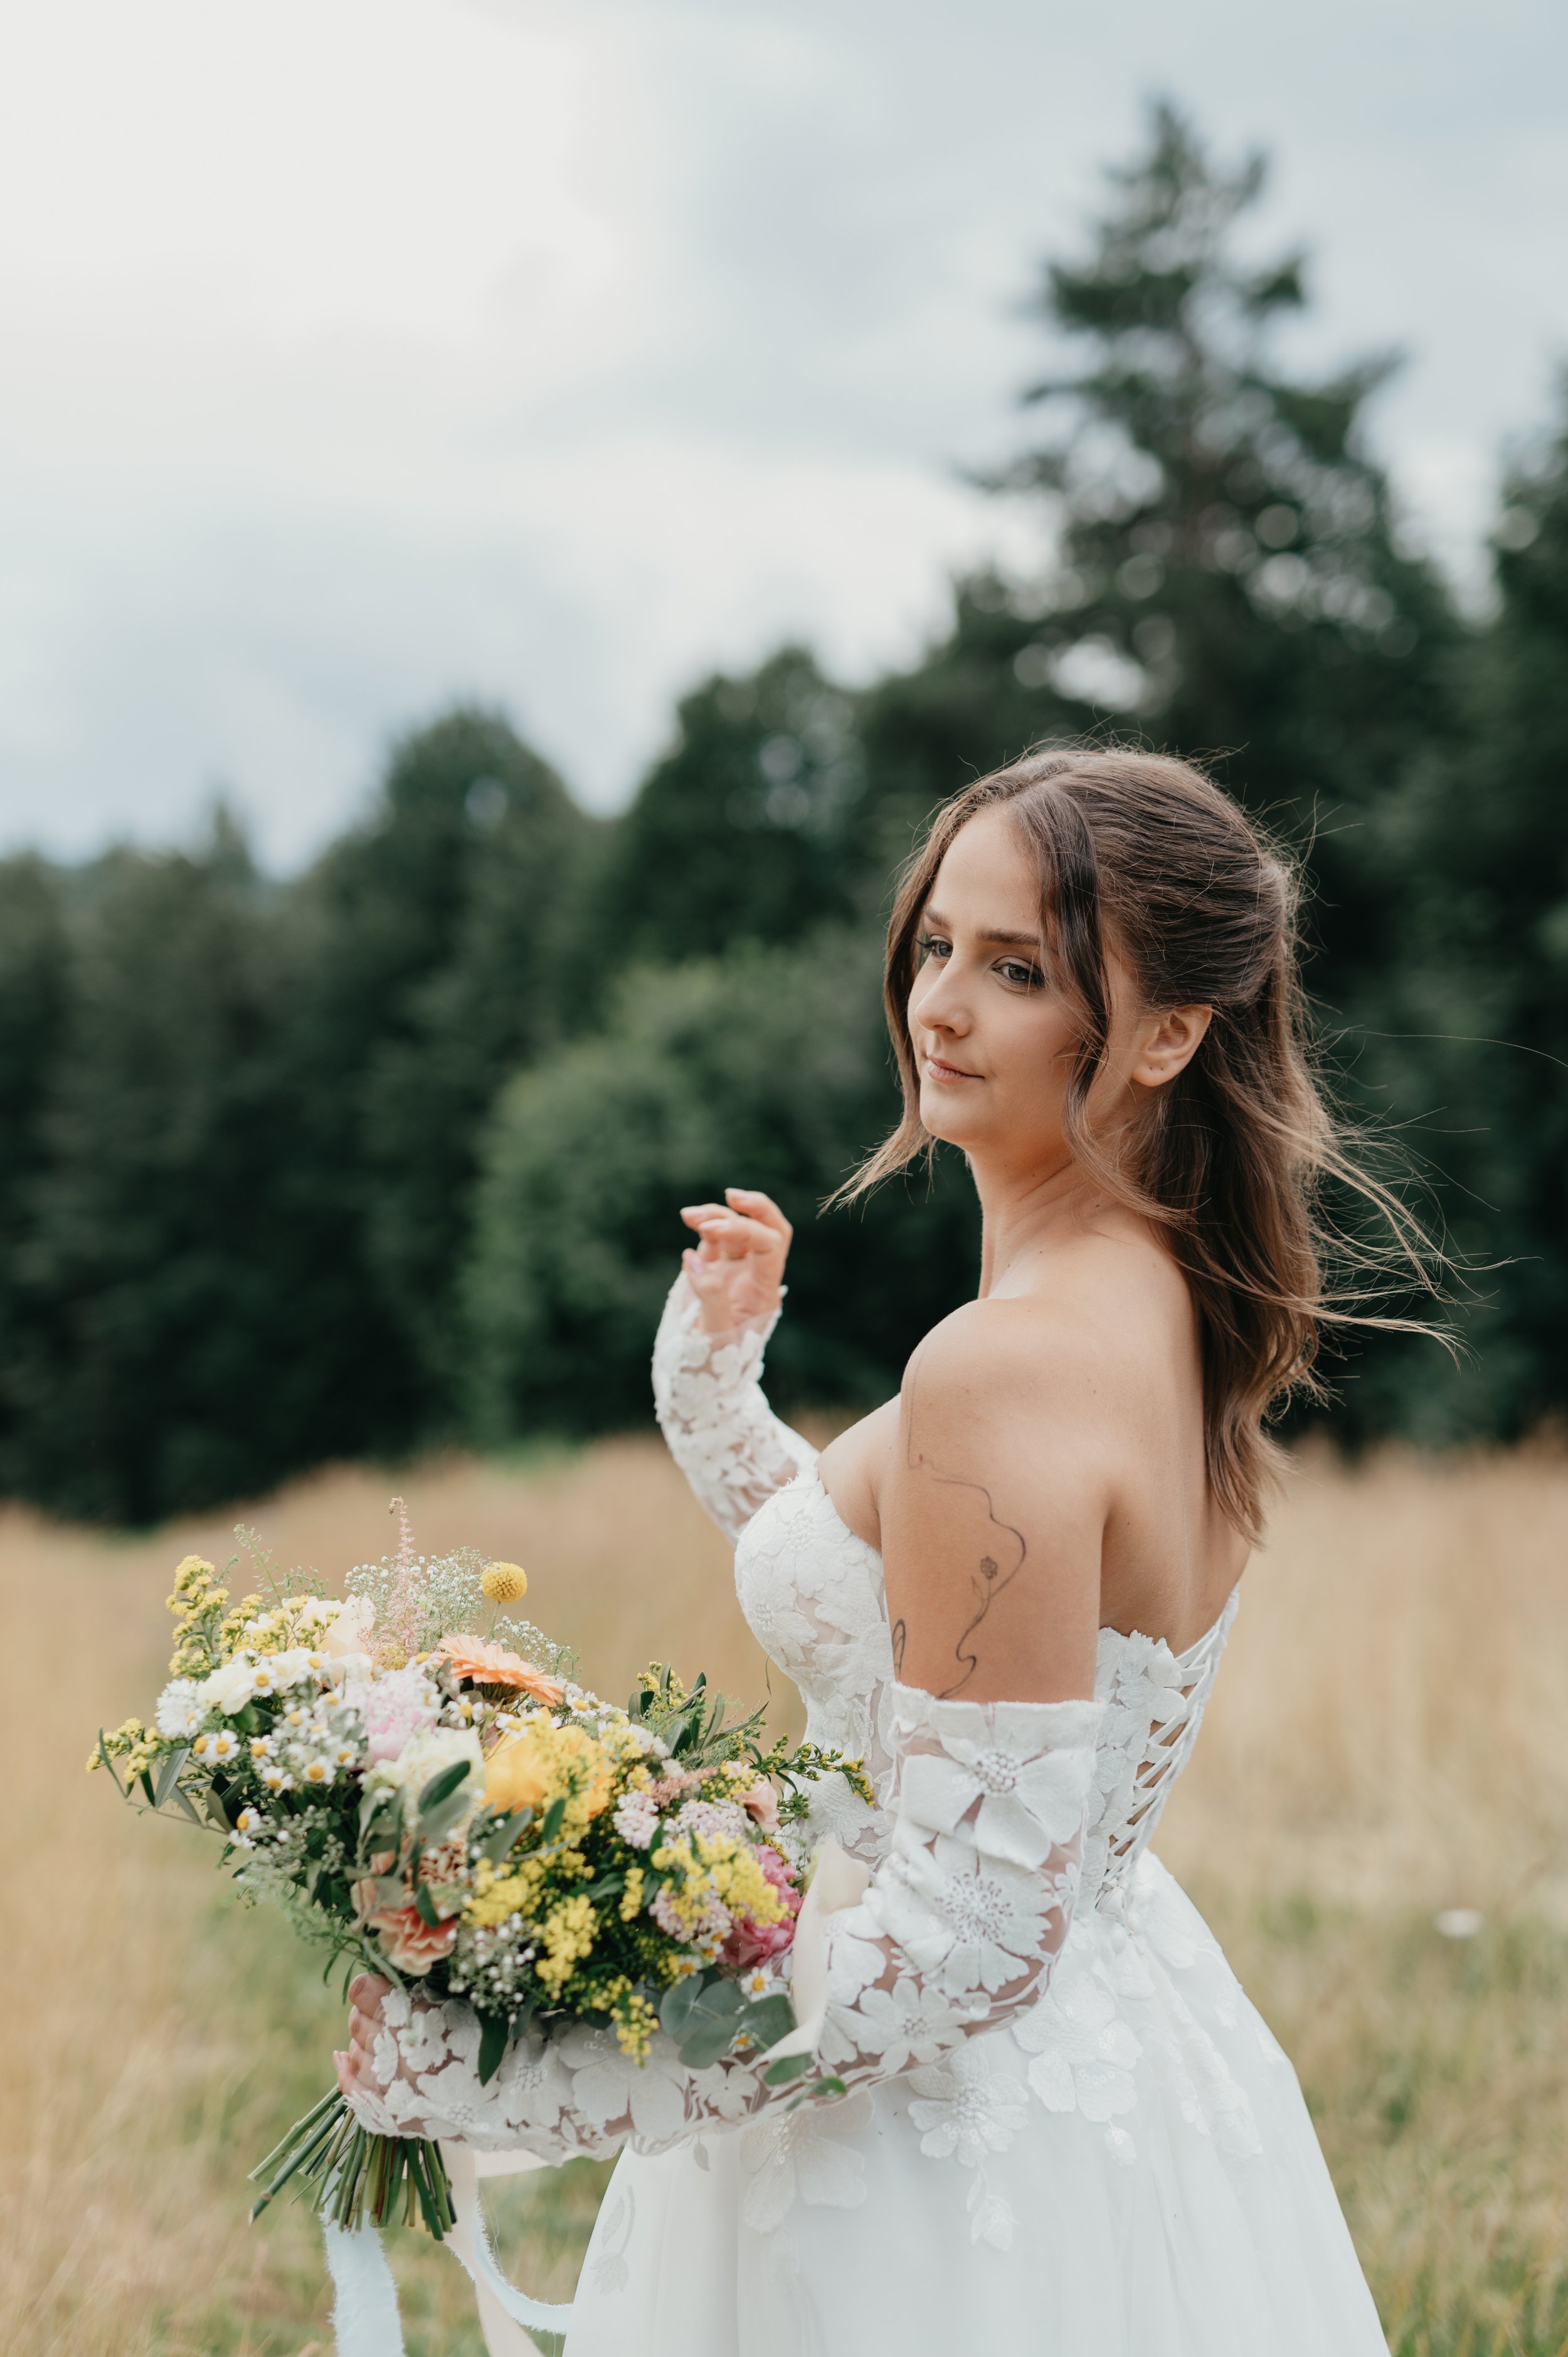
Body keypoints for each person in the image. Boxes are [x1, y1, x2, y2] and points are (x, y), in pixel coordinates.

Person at [341, 748, 1409, 2354]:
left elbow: (968, 1939)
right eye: (935, 946)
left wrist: (549, 2067)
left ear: (1170, 1032)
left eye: (1019, 969)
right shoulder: (1166, 1314)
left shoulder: (1008, 1365)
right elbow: (912, 1610)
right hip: (1105, 2061)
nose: (941, 1007)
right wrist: (711, 1382)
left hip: (930, 2151)